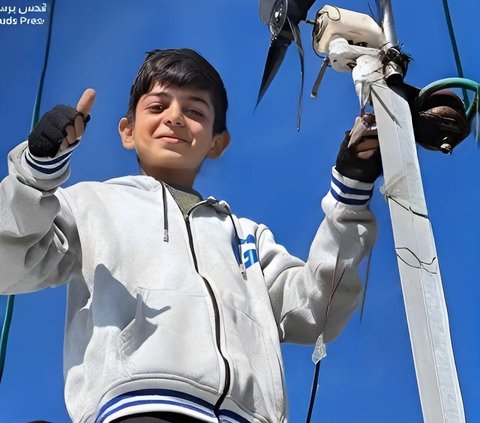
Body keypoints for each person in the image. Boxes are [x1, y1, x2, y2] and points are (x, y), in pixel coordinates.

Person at [0, 49, 382, 423]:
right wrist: (35, 173)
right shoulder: (89, 204)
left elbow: (318, 314)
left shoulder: (244, 235)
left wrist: (351, 190)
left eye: (195, 111)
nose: (175, 118)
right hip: (139, 407)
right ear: (127, 131)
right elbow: (9, 264)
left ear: (217, 142)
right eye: (157, 106)